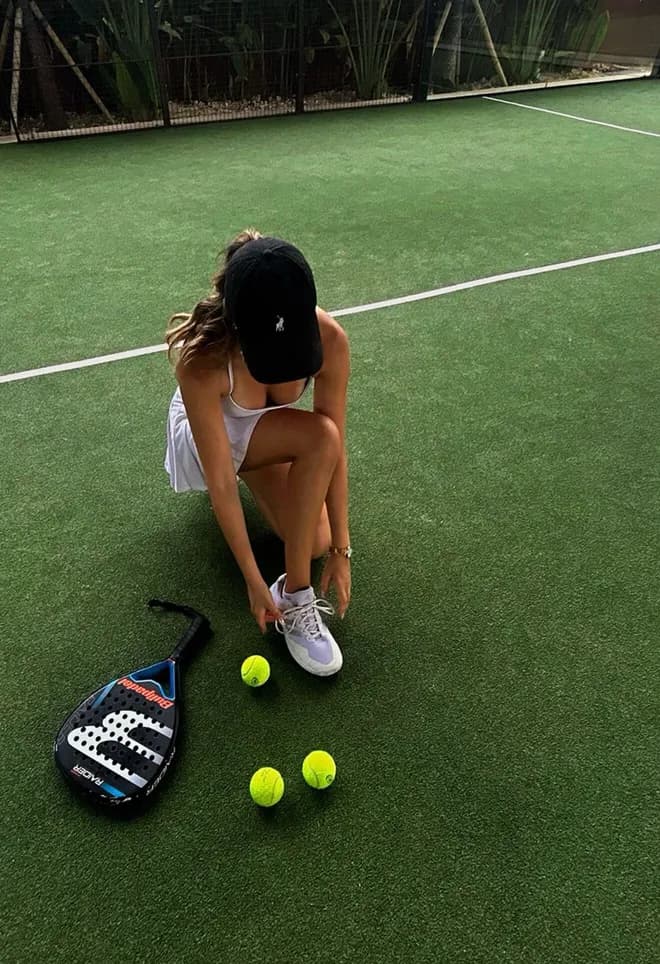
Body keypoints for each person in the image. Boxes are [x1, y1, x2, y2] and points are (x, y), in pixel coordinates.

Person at [164, 229, 351, 677]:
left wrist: (342, 551)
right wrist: (251, 576)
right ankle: (297, 596)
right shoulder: (202, 362)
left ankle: (269, 466)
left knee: (318, 541)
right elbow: (221, 477)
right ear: (238, 326)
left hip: (265, 429)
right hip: (214, 432)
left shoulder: (332, 340)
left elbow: (335, 445)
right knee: (313, 443)